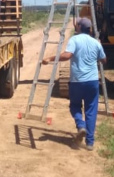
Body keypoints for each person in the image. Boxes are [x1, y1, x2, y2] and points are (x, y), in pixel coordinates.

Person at [42, 17, 107, 151]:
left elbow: (67, 55)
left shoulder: (74, 40)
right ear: (90, 29)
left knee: (75, 106)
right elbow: (104, 60)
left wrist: (50, 58)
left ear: (78, 28)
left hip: (77, 81)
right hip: (93, 82)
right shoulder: (96, 43)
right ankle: (89, 143)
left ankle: (80, 125)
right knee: (91, 110)